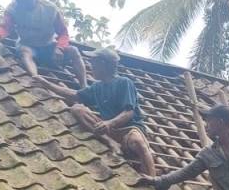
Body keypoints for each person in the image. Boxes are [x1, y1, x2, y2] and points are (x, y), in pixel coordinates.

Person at [33, 47, 156, 176]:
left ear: (103, 64)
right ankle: (111, 142)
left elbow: (128, 112)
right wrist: (46, 83)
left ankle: (153, 178)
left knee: (138, 143)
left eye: (94, 63)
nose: (91, 66)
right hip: (110, 131)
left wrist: (109, 123)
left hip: (129, 129)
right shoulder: (97, 87)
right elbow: (74, 95)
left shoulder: (124, 82)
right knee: (77, 108)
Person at [0, 0, 87, 88]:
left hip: (49, 46)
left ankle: (84, 86)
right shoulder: (12, 9)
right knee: (25, 52)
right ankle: (36, 78)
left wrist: (60, 48)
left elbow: (63, 33)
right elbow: (5, 26)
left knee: (74, 50)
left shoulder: (50, 9)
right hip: (28, 45)